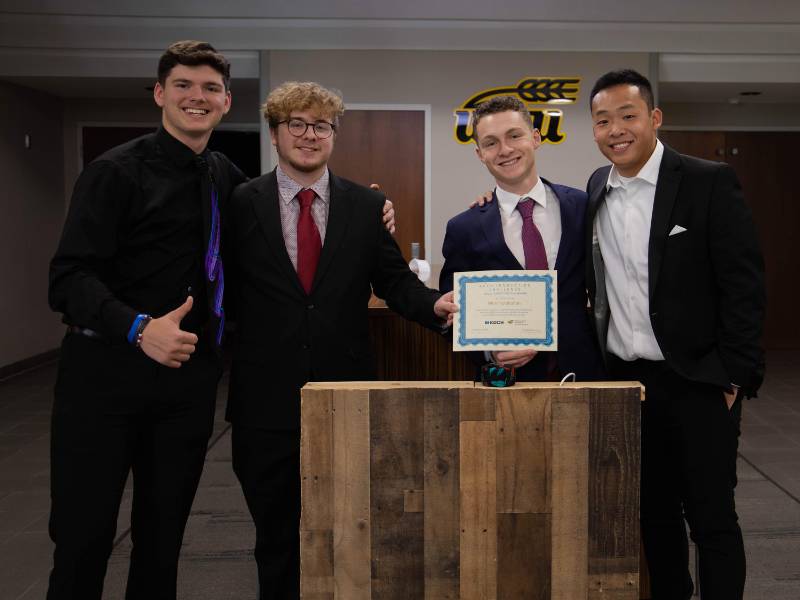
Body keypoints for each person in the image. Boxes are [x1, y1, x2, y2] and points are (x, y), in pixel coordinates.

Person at [225, 80, 457, 599]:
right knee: (276, 538)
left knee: (352, 532)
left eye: (321, 126)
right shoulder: (239, 202)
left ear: (334, 134)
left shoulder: (365, 205)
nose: (309, 135)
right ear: (275, 133)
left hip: (348, 395)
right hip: (264, 403)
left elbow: (393, 281)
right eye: (297, 124)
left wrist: (434, 306)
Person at [47, 41, 247, 599]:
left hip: (185, 386)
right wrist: (138, 327)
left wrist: (370, 209)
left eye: (210, 88)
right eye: (183, 85)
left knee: (162, 540)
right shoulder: (113, 172)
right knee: (84, 538)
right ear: (160, 93)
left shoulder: (225, 175)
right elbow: (67, 279)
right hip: (102, 380)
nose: (196, 97)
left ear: (226, 102)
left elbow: (274, 218)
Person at [586, 69, 765, 599]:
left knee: (712, 518)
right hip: (629, 385)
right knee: (654, 515)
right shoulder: (596, 188)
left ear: (654, 118)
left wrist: (734, 377)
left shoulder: (708, 180)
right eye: (603, 121)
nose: (616, 130)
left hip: (699, 381)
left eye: (628, 115)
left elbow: (744, 285)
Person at [440, 95, 602, 381]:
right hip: (507, 383)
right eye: (491, 143)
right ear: (480, 154)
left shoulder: (581, 207)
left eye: (514, 136)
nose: (505, 150)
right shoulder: (464, 228)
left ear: (535, 138)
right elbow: (452, 311)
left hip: (583, 373)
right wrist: (489, 352)